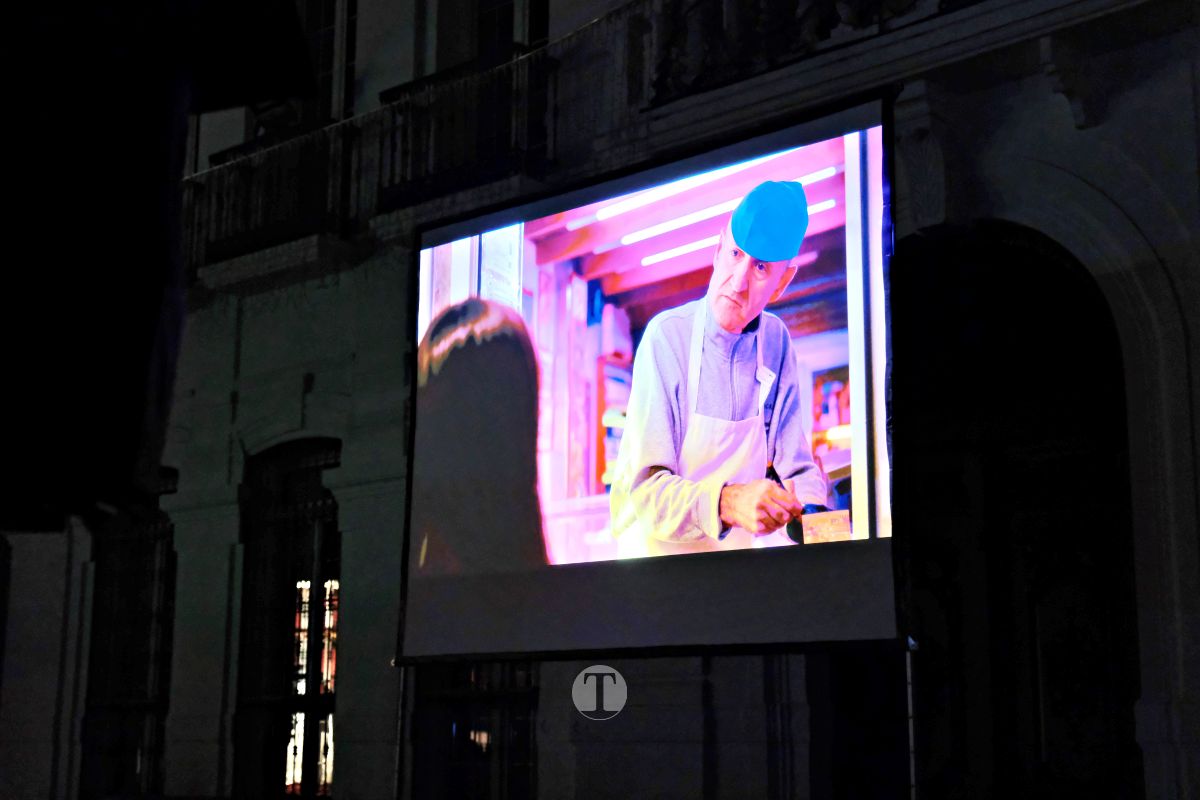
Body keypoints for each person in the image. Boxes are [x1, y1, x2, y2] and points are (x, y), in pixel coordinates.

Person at [610, 180, 829, 558]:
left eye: (760, 267)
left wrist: (818, 521)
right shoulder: (666, 339)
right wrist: (728, 502)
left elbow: (798, 469)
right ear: (717, 250)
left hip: (735, 573)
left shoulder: (776, 343)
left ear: (782, 283)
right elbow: (646, 493)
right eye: (734, 254)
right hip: (657, 573)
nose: (738, 280)